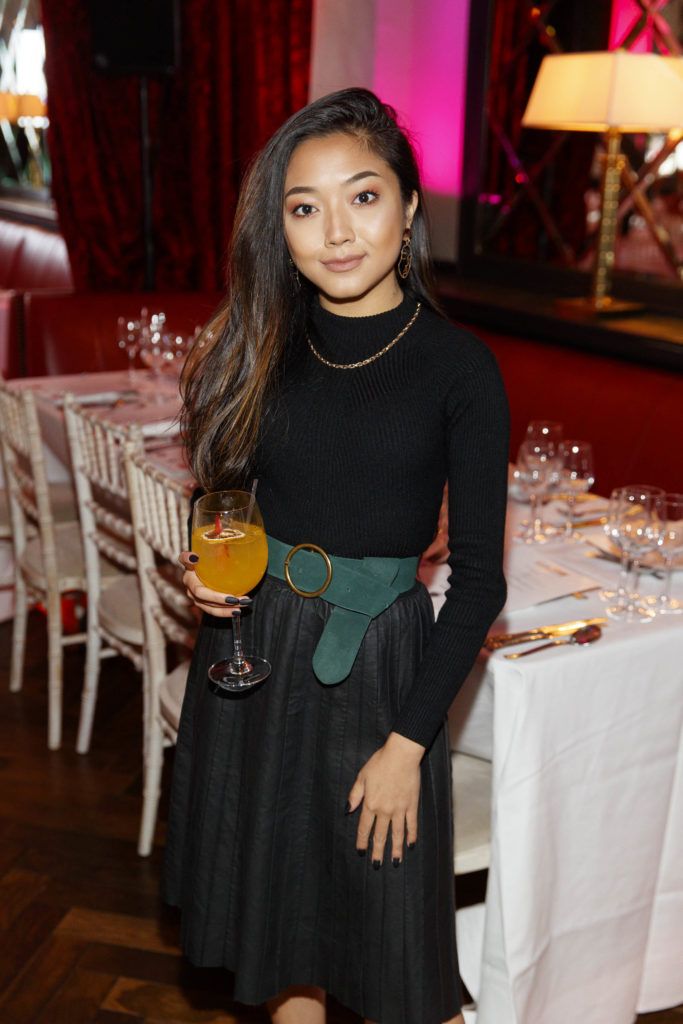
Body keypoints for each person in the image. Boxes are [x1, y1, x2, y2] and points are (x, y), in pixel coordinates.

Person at [168, 87, 509, 1024]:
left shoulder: (458, 368)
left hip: (382, 675)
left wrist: (409, 742)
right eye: (303, 207)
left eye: (362, 197)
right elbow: (221, 496)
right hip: (256, 653)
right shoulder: (254, 343)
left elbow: (479, 581)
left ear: (406, 210)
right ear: (280, 230)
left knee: (399, 954)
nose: (336, 231)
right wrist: (204, 573)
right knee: (285, 945)